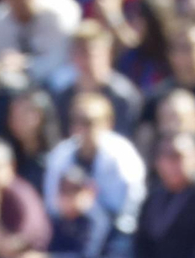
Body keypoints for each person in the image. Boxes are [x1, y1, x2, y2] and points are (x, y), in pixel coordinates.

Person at [42, 91, 146, 238]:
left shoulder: (122, 154)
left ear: (107, 123)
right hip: (70, 228)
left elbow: (129, 205)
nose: (81, 128)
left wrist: (89, 205)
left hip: (116, 232)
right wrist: (68, 206)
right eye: (75, 121)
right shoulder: (61, 154)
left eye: (88, 122)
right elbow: (51, 203)